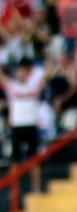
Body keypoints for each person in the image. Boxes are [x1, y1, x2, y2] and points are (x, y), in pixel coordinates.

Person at [0, 58, 46, 192]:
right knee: (15, 160)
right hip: (17, 126)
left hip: (31, 125)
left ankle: (36, 189)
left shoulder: (34, 85)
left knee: (34, 159)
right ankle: (14, 191)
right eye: (18, 71)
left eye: (23, 71)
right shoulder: (12, 86)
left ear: (28, 72)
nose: (20, 74)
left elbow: (46, 75)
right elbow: (2, 77)